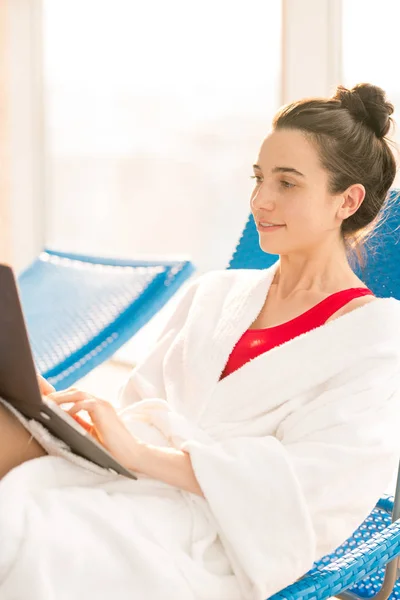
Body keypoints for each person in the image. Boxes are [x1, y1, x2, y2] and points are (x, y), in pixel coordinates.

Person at [1, 83, 400, 600]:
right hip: (131, 483)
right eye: (259, 178)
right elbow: (140, 410)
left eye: (288, 182)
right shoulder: (213, 295)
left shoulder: (374, 339)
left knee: (25, 536)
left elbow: (310, 490)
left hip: (219, 537)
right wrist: (51, 403)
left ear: (347, 200)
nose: (261, 200)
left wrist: (143, 454)